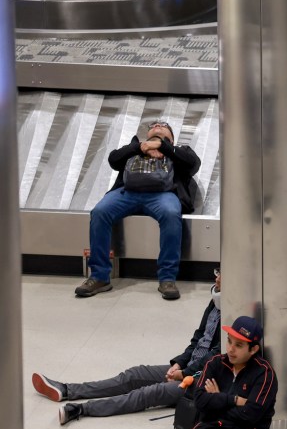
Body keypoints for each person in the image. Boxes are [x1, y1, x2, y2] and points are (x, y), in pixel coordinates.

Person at [33, 269, 222, 425]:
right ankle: (68, 390)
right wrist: (179, 364)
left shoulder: (234, 313)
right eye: (217, 272)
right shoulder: (214, 303)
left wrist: (186, 373)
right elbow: (198, 339)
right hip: (188, 369)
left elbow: (215, 356)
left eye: (221, 275)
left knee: (149, 394)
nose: (217, 278)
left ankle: (81, 409)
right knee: (134, 375)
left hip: (203, 380)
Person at [132, 316, 277, 429]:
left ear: (254, 349)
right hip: (210, 425)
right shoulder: (215, 363)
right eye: (229, 341)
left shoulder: (265, 375)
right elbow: (200, 402)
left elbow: (251, 416)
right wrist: (232, 399)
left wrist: (216, 399)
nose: (231, 349)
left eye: (239, 345)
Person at [75, 120, 201, 300]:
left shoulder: (179, 150)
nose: (157, 126)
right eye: (153, 126)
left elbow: (192, 164)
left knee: (172, 214)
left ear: (172, 138)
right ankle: (99, 277)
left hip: (163, 194)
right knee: (100, 212)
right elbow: (113, 159)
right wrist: (140, 147)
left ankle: (167, 279)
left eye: (163, 125)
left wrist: (163, 147)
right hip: (127, 193)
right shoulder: (135, 147)